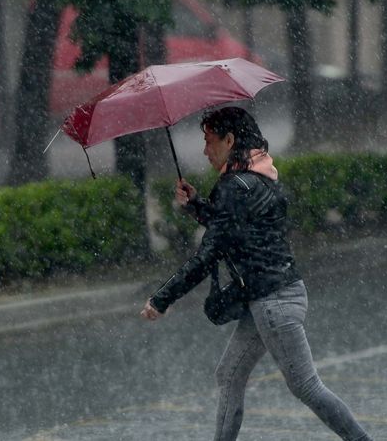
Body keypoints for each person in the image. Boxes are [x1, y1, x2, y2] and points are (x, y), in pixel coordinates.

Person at [140, 106, 372, 441]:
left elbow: (208, 254)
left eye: (209, 141)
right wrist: (196, 205)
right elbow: (236, 228)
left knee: (306, 385)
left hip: (272, 302)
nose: (205, 150)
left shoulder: (233, 186)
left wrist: (162, 299)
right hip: (277, 294)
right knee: (229, 375)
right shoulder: (259, 174)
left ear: (229, 140)